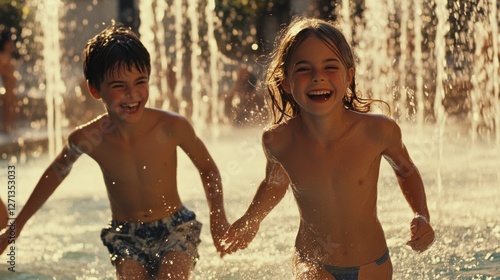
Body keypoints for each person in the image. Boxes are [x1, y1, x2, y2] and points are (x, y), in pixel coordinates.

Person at [0, 23, 229, 279]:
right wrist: (15, 227)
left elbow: (207, 168)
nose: (132, 94)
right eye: (119, 86)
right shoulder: (90, 138)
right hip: (126, 234)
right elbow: (56, 172)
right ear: (95, 89)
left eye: (140, 82)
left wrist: (218, 217)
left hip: (174, 227)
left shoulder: (171, 126)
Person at [222, 17, 435, 279]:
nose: (318, 77)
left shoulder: (377, 131)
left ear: (349, 76)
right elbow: (275, 183)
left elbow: (405, 170)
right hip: (312, 263)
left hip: (372, 264)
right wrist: (251, 218)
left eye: (330, 67)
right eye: (303, 69)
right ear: (286, 82)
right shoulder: (279, 141)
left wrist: (421, 214)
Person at [0, 26, 17, 133]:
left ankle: (10, 126)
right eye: (10, 43)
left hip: (11, 85)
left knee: (11, 105)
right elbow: (2, 70)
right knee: (7, 105)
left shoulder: (8, 56)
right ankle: (5, 126)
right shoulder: (2, 56)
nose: (12, 46)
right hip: (6, 85)